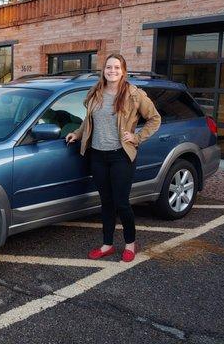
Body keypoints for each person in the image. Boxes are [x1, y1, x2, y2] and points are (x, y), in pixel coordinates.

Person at [65, 53, 161, 262]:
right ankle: (107, 244)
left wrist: (137, 137)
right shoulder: (96, 92)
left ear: (123, 71)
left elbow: (154, 119)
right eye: (109, 67)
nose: (112, 71)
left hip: (121, 156)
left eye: (117, 68)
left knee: (121, 203)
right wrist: (78, 133)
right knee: (106, 202)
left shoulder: (134, 94)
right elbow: (89, 119)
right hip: (98, 156)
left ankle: (130, 244)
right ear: (104, 70)